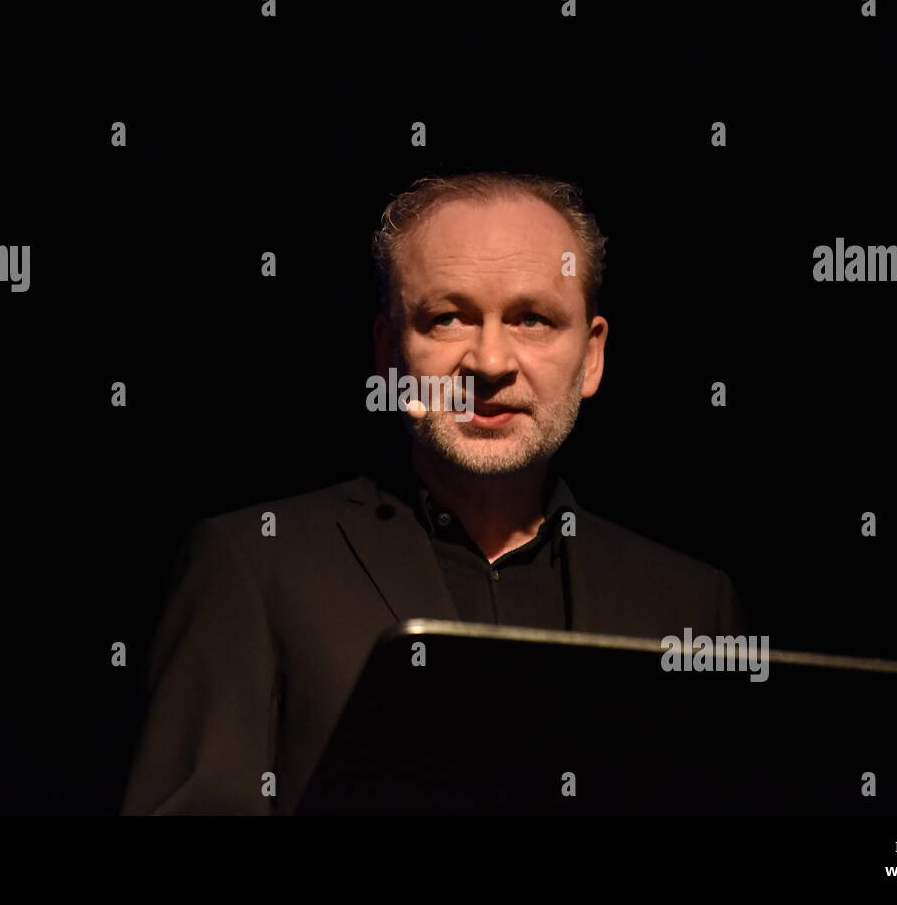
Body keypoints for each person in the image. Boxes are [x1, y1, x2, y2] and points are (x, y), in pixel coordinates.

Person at [121, 171, 750, 815]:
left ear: (591, 358)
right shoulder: (253, 565)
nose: (490, 361)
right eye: (448, 318)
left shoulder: (692, 605)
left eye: (532, 319)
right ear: (390, 354)